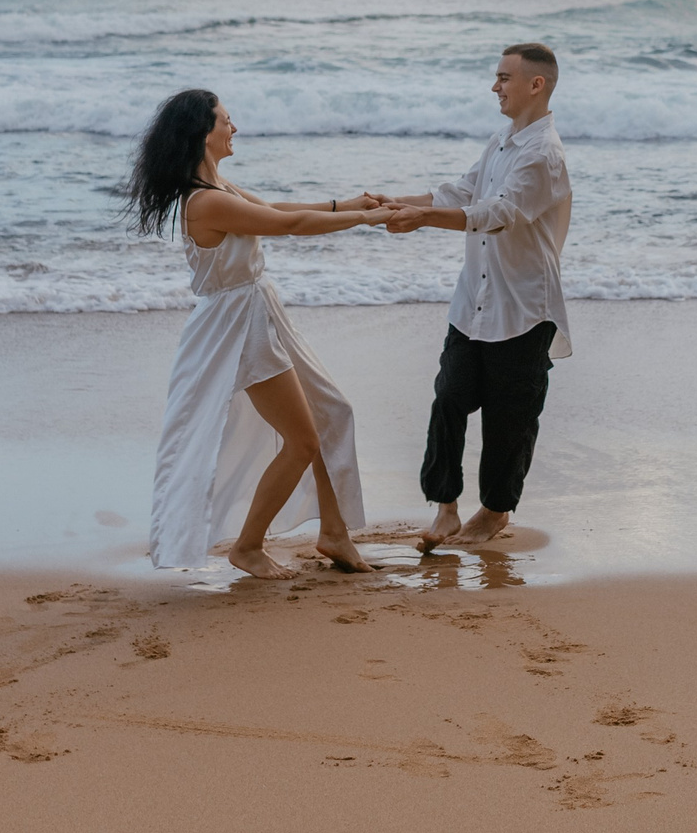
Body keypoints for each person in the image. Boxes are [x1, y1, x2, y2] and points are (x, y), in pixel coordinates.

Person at [129, 89, 395, 579]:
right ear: (202, 133)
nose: (235, 128)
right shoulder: (204, 202)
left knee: (333, 411)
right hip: (237, 327)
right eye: (227, 121)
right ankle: (248, 547)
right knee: (303, 441)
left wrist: (345, 203)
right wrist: (366, 219)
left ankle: (334, 534)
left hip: (259, 309)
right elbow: (287, 224)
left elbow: (277, 206)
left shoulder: (219, 187)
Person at [378, 43, 572, 553]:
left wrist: (422, 220)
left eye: (504, 77)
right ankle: (445, 508)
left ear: (537, 85)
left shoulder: (544, 155)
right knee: (449, 398)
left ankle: (494, 512)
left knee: (510, 419)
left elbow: (497, 212)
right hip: (474, 304)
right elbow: (461, 194)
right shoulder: (502, 141)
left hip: (523, 309)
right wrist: (393, 203)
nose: (495, 87)